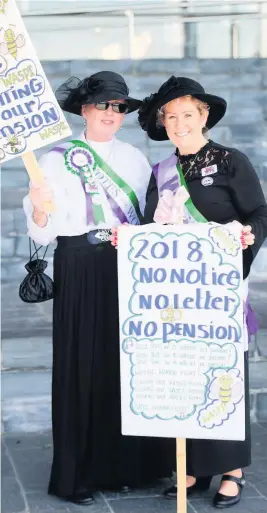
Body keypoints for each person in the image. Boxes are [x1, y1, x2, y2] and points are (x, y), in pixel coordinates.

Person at [23, 71, 175, 506]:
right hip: (80, 263)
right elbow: (44, 229)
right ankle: (78, 475)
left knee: (125, 364)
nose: (112, 112)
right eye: (104, 104)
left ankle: (126, 466)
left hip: (128, 263)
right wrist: (37, 204)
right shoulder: (53, 159)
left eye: (120, 106)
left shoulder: (134, 159)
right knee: (81, 365)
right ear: (85, 109)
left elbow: (151, 216)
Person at [134, 76, 267, 509]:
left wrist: (246, 239)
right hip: (177, 294)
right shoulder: (162, 171)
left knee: (224, 373)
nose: (178, 123)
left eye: (186, 115)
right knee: (188, 371)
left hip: (220, 287)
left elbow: (258, 212)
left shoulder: (231, 161)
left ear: (203, 116)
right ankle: (192, 465)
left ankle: (231, 469)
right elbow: (149, 230)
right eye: (170, 117)